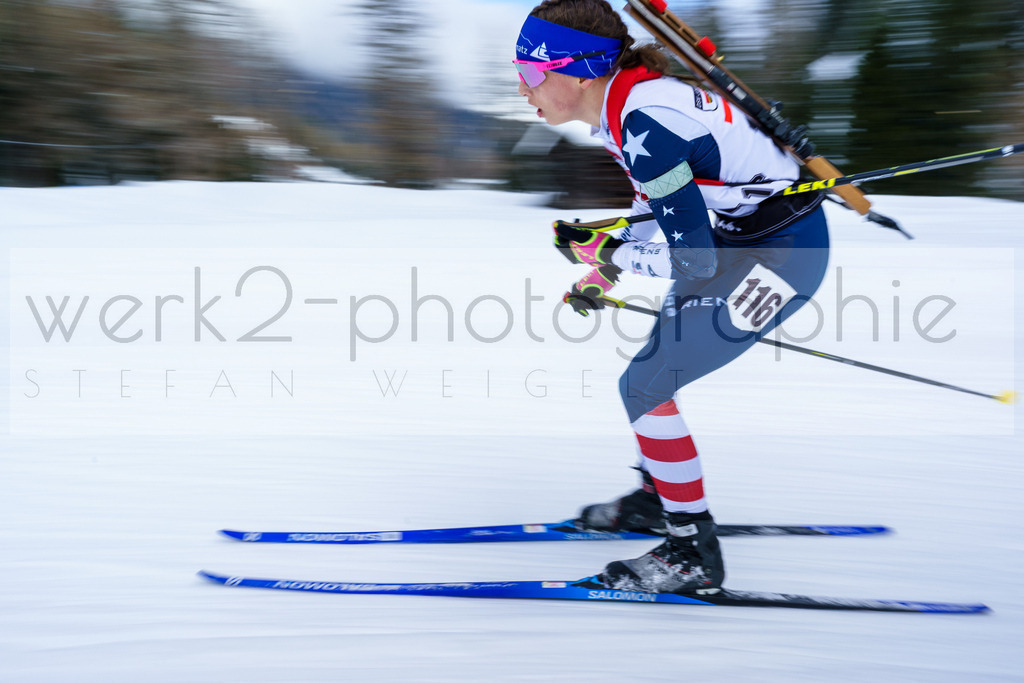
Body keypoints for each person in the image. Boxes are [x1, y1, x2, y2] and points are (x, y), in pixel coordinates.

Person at [513, 0, 830, 594]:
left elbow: (692, 259)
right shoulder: (628, 103)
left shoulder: (644, 123)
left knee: (645, 385)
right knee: (652, 375)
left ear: (578, 70)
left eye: (531, 73)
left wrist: (604, 254)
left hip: (784, 259)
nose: (522, 89)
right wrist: (607, 268)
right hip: (739, 243)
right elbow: (654, 205)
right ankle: (659, 497)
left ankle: (690, 551)